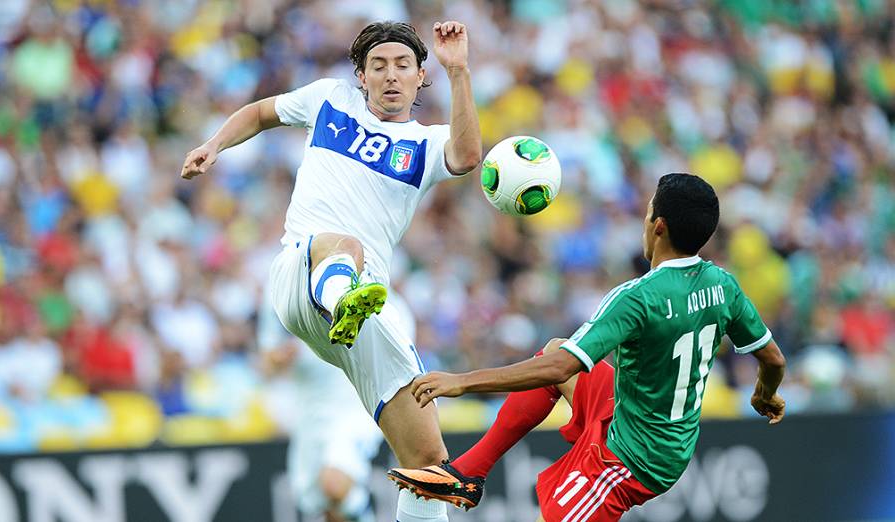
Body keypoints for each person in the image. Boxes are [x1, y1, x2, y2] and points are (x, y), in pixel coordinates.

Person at [181, 20, 481, 522]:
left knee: (429, 466)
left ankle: (349, 300)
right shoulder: (330, 100)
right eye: (378, 66)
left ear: (419, 76)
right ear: (360, 76)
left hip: (366, 317)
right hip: (300, 271)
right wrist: (214, 144)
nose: (390, 76)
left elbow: (469, 155)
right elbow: (259, 113)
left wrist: (460, 71)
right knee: (344, 246)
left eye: (402, 66)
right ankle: (341, 293)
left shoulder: (425, 144)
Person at [387, 173, 787, 521]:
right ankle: (469, 471)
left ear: (659, 226)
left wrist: (462, 381)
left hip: (635, 458)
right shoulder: (723, 284)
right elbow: (773, 359)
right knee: (555, 347)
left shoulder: (639, 297)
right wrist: (765, 394)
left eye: (647, 214)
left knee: (557, 363)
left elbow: (563, 369)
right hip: (640, 414)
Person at [257, 274, 384, 522]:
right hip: (310, 411)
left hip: (356, 401)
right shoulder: (279, 285)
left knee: (334, 485)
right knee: (324, 504)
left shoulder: (365, 273)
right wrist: (281, 358)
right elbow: (267, 362)